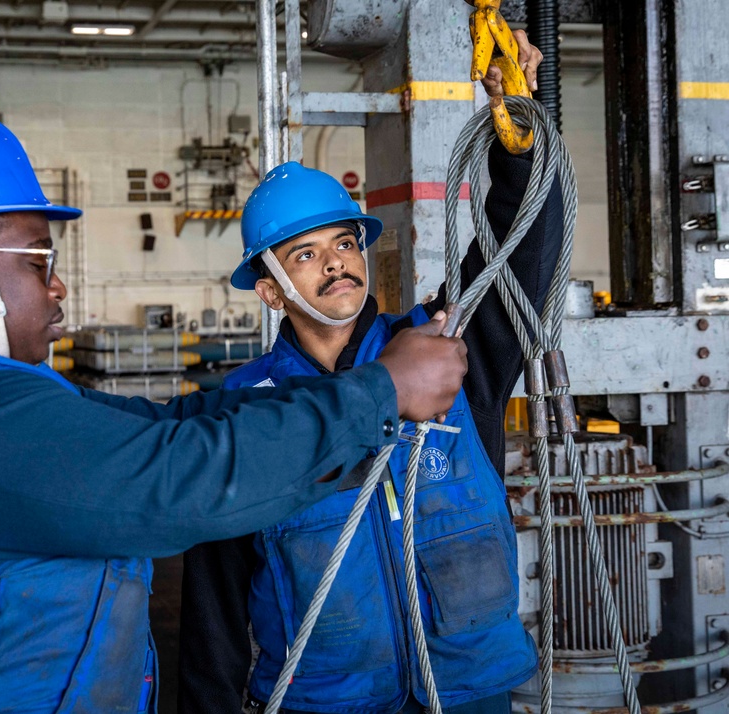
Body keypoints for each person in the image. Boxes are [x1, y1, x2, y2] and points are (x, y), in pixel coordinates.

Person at [0, 110, 469, 714]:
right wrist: (380, 393)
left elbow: (162, 424)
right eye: (39, 262)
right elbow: (180, 478)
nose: (58, 285)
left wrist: (321, 392)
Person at [178, 32, 558, 714]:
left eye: (345, 243)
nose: (336, 264)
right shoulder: (245, 414)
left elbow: (516, 255)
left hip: (467, 694)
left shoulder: (446, 348)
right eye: (305, 254)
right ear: (268, 290)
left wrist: (520, 140)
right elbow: (215, 608)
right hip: (325, 703)